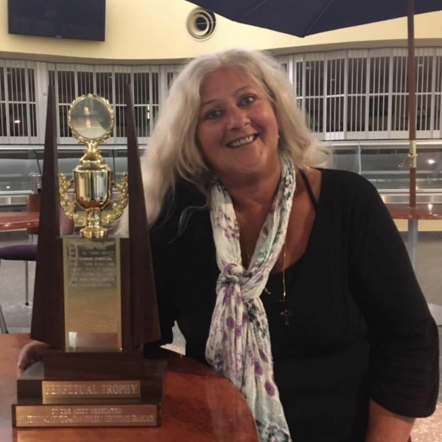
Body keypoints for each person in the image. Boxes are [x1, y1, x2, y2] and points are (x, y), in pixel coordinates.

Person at [18, 49, 439, 442]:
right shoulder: (178, 217)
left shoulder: (350, 201)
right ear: (194, 137)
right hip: (219, 429)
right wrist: (78, 344)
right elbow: (145, 329)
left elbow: (408, 339)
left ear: (275, 110)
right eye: (214, 113)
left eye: (248, 100)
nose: (237, 120)